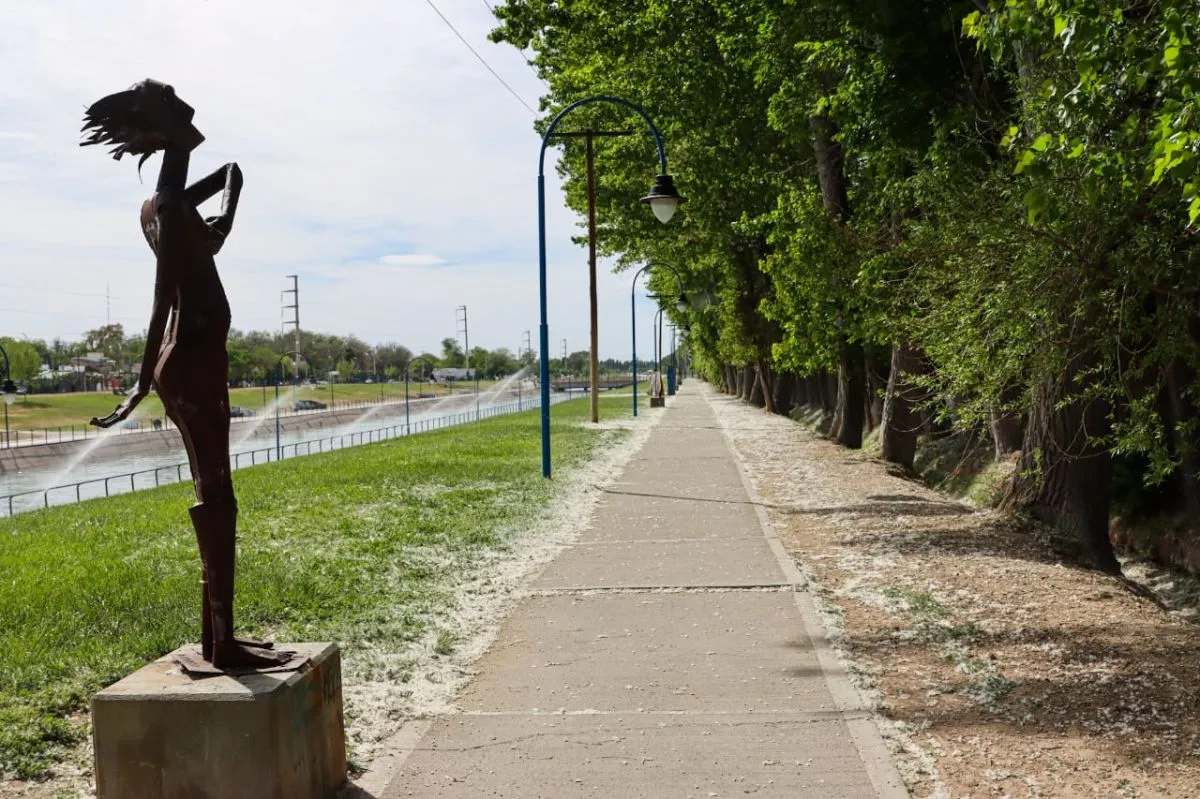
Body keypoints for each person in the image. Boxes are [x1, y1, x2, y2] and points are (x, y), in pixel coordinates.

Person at [84, 80, 290, 670]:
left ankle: (218, 636)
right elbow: (162, 297)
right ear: (160, 123)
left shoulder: (159, 202)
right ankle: (221, 643)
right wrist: (141, 381)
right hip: (194, 354)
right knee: (217, 495)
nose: (189, 107)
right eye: (174, 101)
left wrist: (226, 204)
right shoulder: (170, 208)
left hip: (194, 353)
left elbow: (222, 184)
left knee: (215, 493)